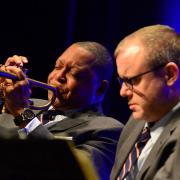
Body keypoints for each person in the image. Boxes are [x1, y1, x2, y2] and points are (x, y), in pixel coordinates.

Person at [0, 41, 123, 180]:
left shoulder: (109, 130)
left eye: (74, 73)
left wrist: (22, 112)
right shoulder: (26, 102)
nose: (58, 76)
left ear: (100, 88)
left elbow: (70, 173)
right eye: (57, 66)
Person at [110, 25, 180, 180]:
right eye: (122, 80)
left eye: (133, 80)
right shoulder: (136, 122)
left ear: (170, 74)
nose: (123, 92)